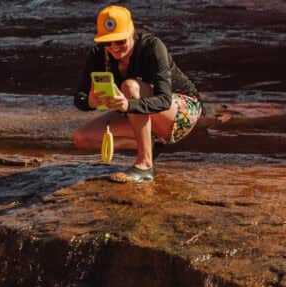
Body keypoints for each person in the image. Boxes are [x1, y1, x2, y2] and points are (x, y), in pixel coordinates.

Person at [73, 5, 203, 183]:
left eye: (120, 41)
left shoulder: (152, 47)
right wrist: (91, 101)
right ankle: (151, 144)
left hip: (180, 111)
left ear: (132, 33)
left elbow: (164, 100)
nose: (114, 47)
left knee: (130, 86)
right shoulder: (98, 54)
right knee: (82, 138)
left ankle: (145, 164)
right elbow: (78, 98)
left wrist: (128, 105)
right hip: (137, 112)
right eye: (107, 42)